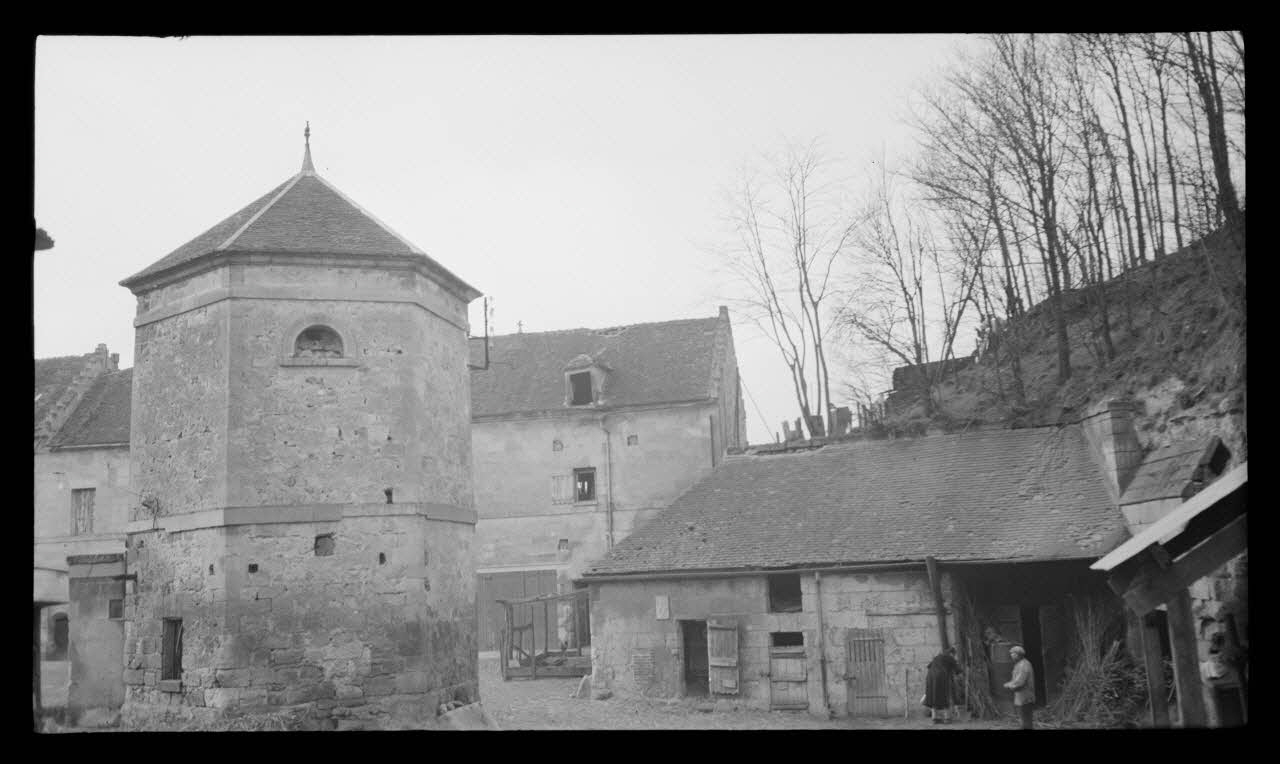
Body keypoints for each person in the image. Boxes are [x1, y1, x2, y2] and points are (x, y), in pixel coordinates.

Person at [924, 646, 960, 724]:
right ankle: (947, 718)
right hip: (941, 677)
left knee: (934, 696)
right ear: (952, 653)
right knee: (945, 696)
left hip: (930, 677)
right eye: (954, 655)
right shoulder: (950, 657)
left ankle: (935, 718)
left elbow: (929, 666)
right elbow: (958, 670)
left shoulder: (937, 657)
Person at [1004, 645, 1036, 729]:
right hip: (1021, 696)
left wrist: (1009, 685)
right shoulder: (1019, 664)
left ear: (1019, 654)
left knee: (1026, 720)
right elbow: (1015, 680)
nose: (1011, 655)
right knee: (1023, 719)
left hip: (1025, 697)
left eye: (1013, 654)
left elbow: (1020, 682)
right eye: (1011, 653)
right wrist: (1010, 683)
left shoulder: (1023, 665)